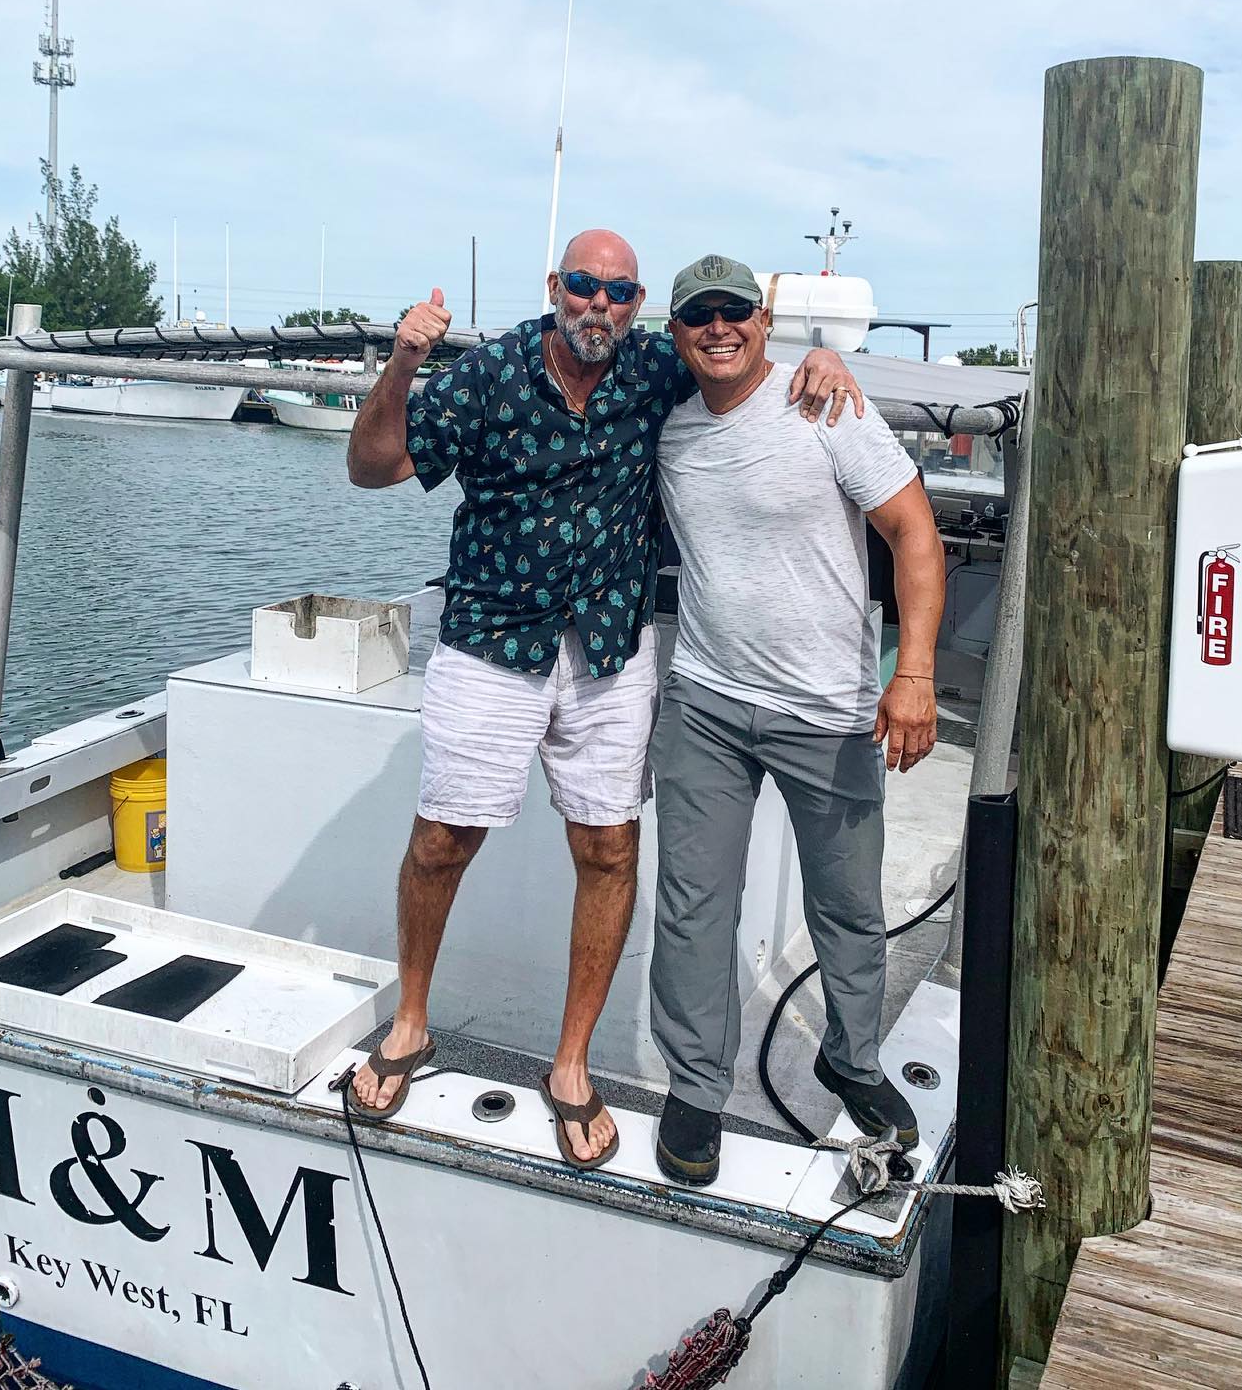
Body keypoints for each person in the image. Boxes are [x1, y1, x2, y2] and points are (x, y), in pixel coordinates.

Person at [344, 230, 862, 1167]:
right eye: (585, 285)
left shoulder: (651, 368)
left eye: (620, 293)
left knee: (610, 848)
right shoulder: (490, 374)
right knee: (443, 839)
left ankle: (572, 1064)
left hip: (611, 649)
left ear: (636, 305)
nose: (600, 306)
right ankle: (411, 1020)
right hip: (494, 637)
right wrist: (405, 363)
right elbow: (372, 467)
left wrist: (819, 359)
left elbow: (734, 357)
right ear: (556, 286)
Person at [648, 253, 945, 1187]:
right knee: (694, 905)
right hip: (705, 700)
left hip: (829, 711)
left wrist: (915, 673)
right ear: (676, 332)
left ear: (765, 320)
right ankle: (697, 1086)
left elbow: (915, 533)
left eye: (735, 310)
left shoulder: (824, 404)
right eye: (700, 314)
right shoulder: (665, 423)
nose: (719, 327)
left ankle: (850, 1058)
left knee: (848, 906)